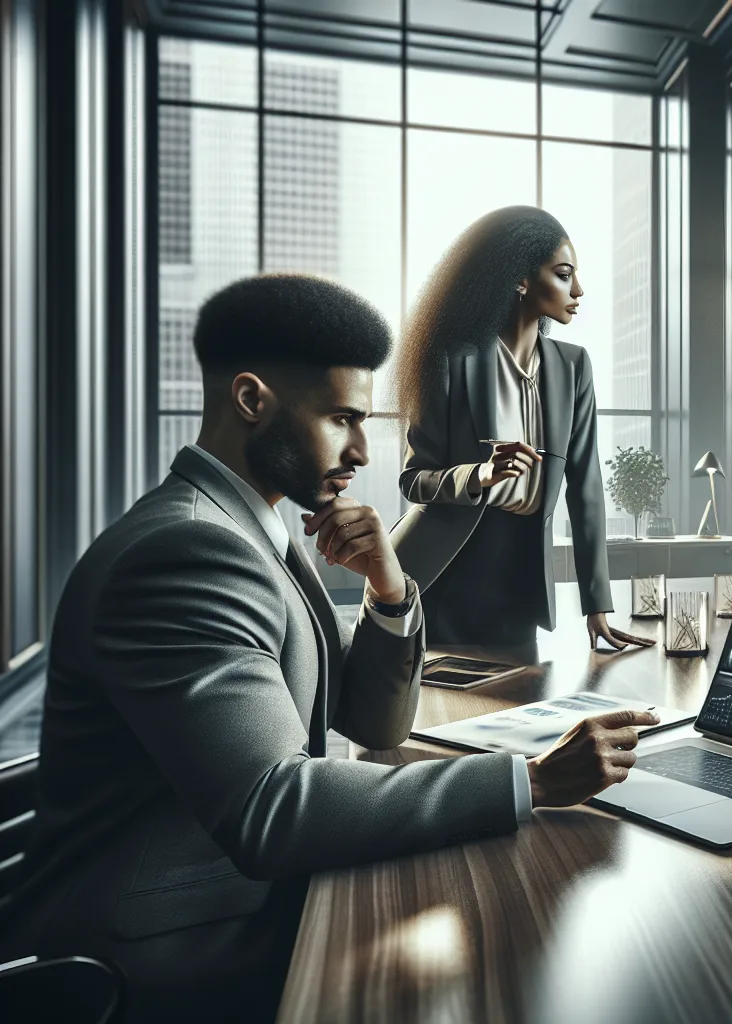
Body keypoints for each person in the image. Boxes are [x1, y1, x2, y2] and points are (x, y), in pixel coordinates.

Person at [0, 275, 655, 1024]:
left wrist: (386, 585)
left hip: (222, 903)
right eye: (341, 418)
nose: (358, 449)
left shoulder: (256, 529)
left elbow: (372, 723)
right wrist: (528, 781)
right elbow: (272, 806)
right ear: (252, 400)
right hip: (157, 960)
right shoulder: (186, 552)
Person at [390, 205, 653, 651]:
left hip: (521, 577)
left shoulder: (574, 366)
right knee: (444, 713)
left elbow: (585, 491)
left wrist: (597, 604)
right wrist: (480, 475)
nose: (579, 290)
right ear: (521, 279)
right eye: (565, 275)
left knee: (518, 708)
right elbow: (413, 480)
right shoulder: (452, 362)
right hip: (442, 572)